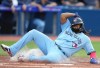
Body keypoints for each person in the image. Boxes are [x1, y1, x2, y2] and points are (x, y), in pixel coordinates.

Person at [0, 12, 98, 64]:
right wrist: (74, 15)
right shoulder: (67, 27)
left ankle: (29, 58)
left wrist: (93, 59)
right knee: (33, 32)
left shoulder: (85, 39)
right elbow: (63, 16)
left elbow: (92, 52)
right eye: (74, 25)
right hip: (51, 44)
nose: (75, 26)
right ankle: (12, 50)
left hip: (60, 54)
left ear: (81, 26)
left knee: (50, 58)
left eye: (78, 25)